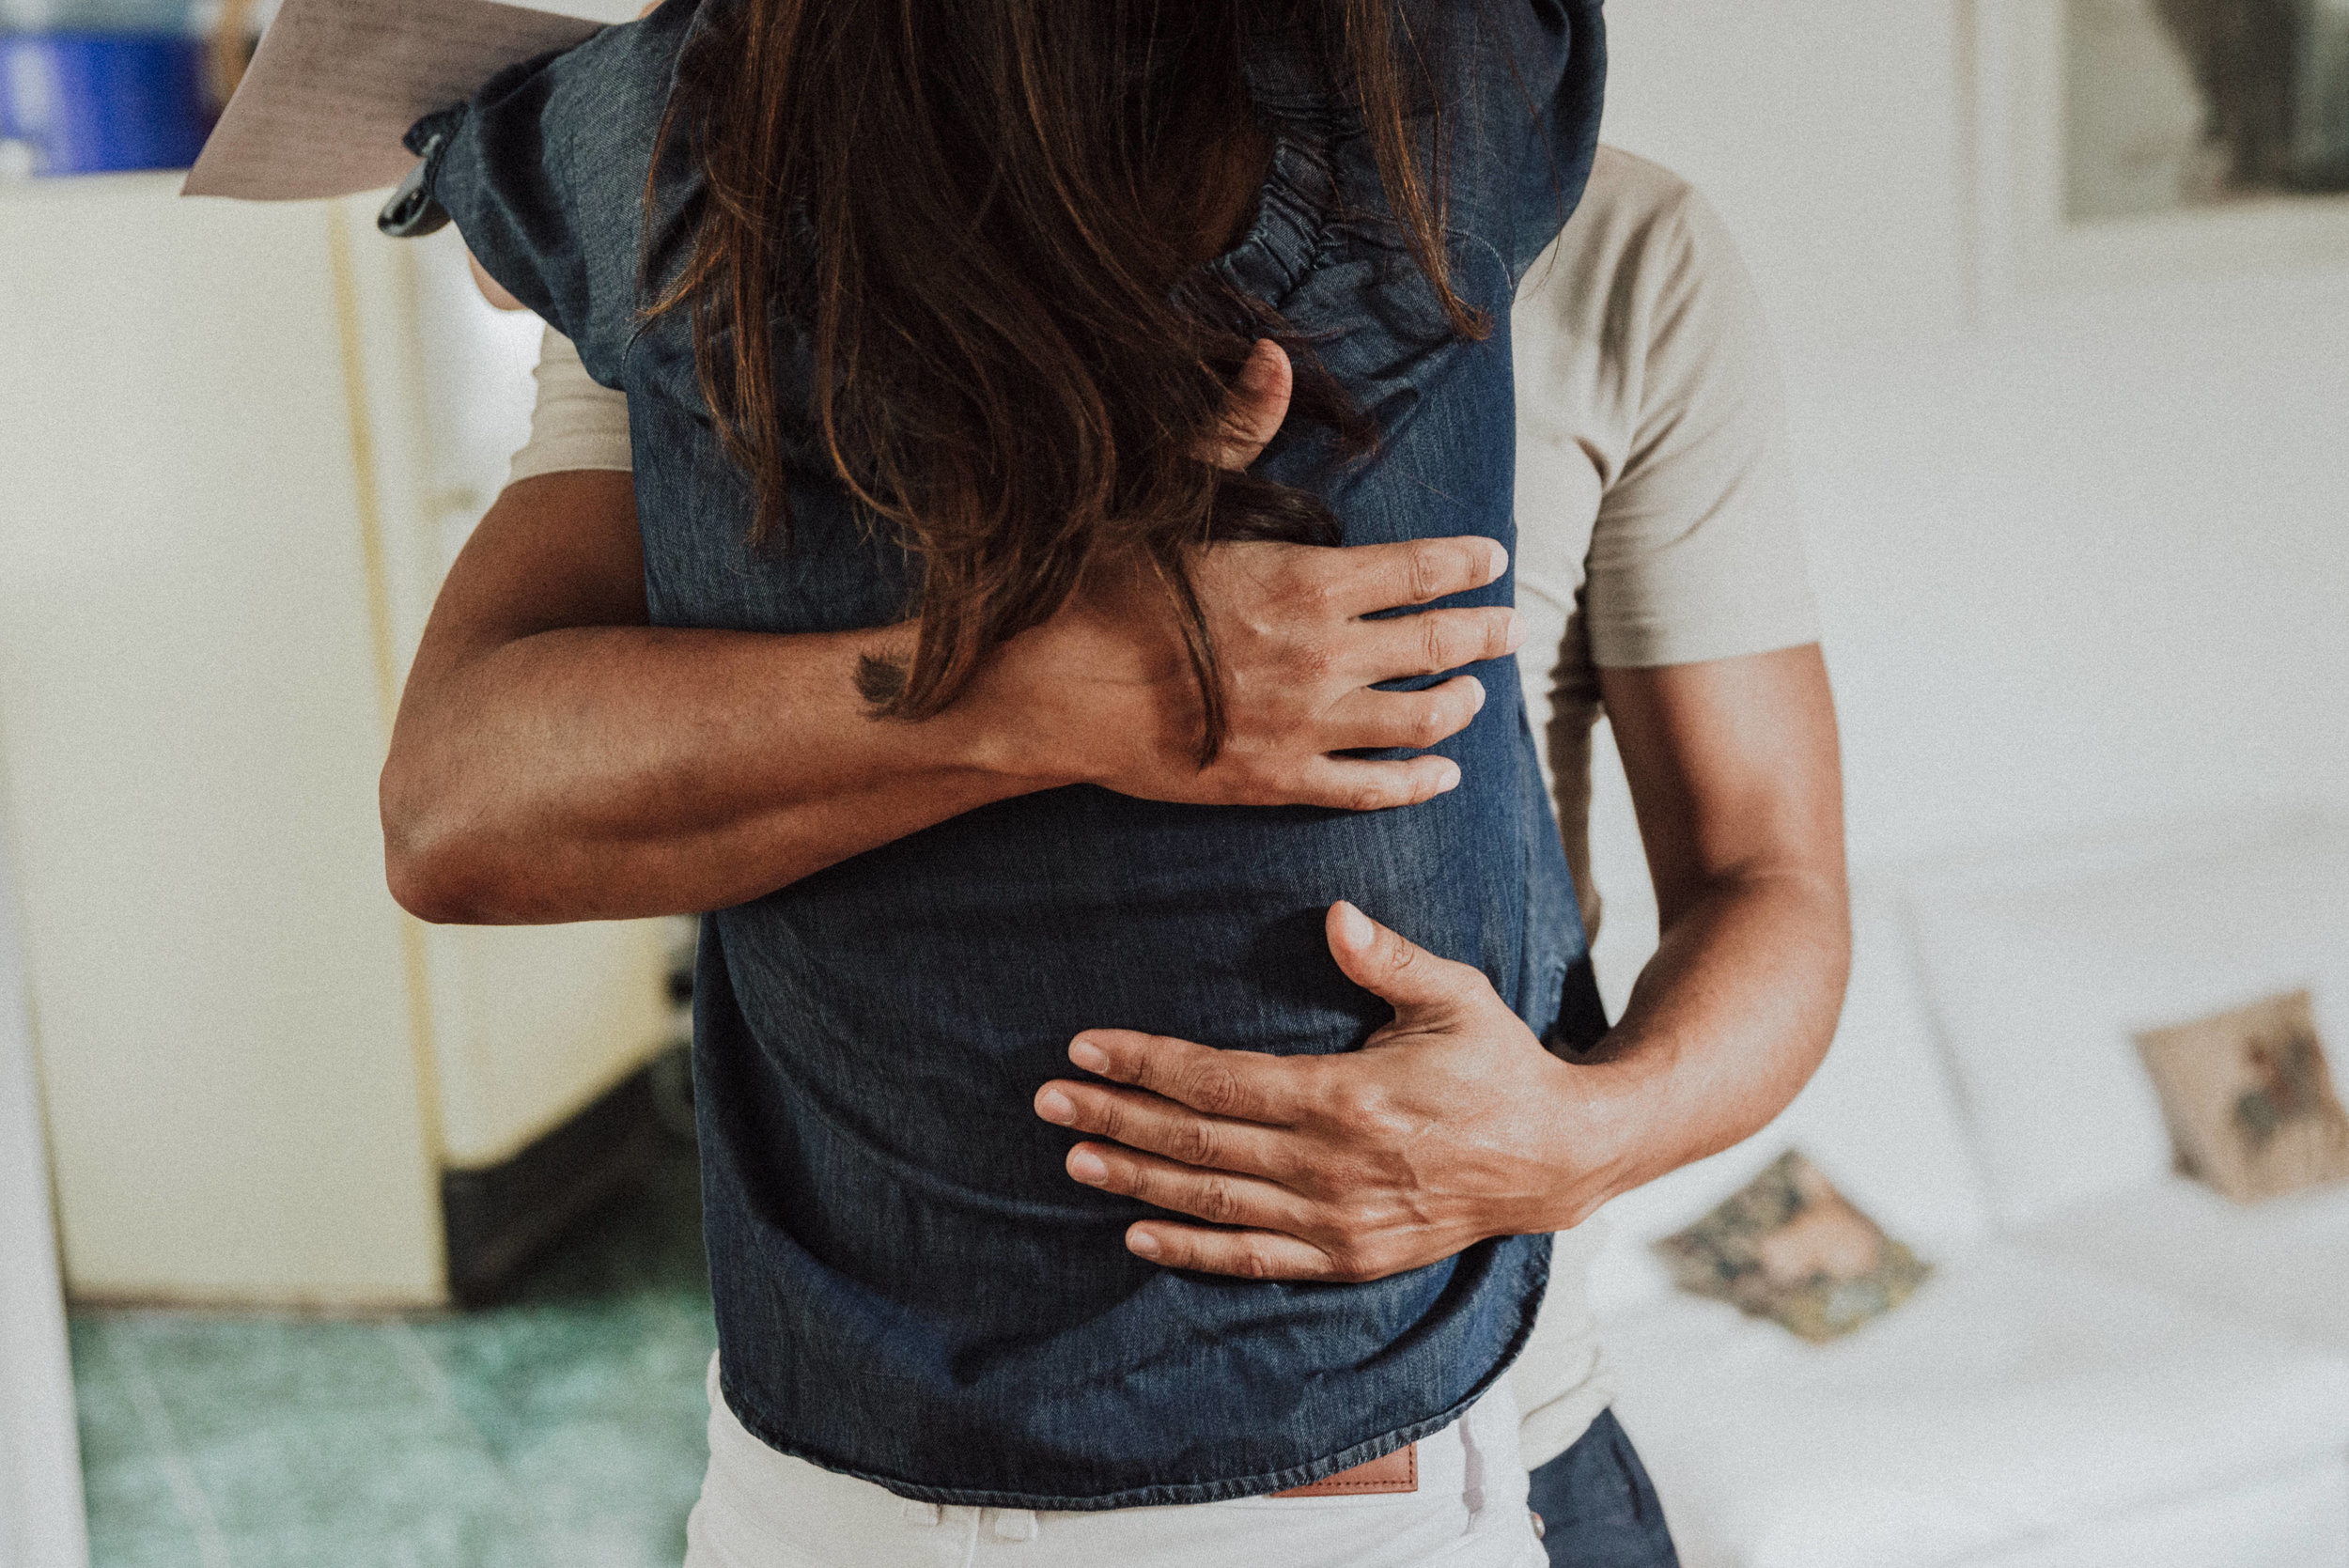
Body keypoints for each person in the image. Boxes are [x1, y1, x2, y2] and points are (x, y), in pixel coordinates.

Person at [380, 1, 1843, 1561]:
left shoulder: (1629, 256)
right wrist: (1052, 689)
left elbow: (1778, 883)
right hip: (867, 1493)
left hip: (1487, 1439)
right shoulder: (726, 253)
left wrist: (1578, 1136)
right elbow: (460, 809)